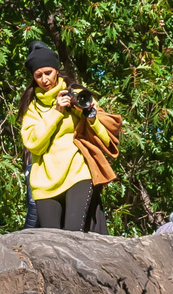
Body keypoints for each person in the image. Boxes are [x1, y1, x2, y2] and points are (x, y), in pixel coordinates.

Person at [18, 41, 121, 231]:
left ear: (56, 70)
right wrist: (56, 111)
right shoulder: (32, 108)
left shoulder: (79, 95)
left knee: (73, 236)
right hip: (45, 182)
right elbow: (35, 144)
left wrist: (90, 116)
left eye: (48, 72)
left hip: (77, 173)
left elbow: (106, 138)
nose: (44, 79)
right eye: (38, 75)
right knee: (53, 243)